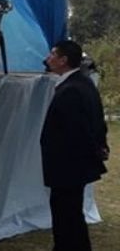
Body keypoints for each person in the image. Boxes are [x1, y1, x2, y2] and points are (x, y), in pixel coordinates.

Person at [41, 40, 109, 251]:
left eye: (53, 54)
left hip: (68, 164)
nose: (48, 58)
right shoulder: (84, 83)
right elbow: (98, 120)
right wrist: (100, 145)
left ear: (63, 60)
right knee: (71, 211)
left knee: (65, 212)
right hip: (77, 164)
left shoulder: (71, 90)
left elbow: (77, 130)